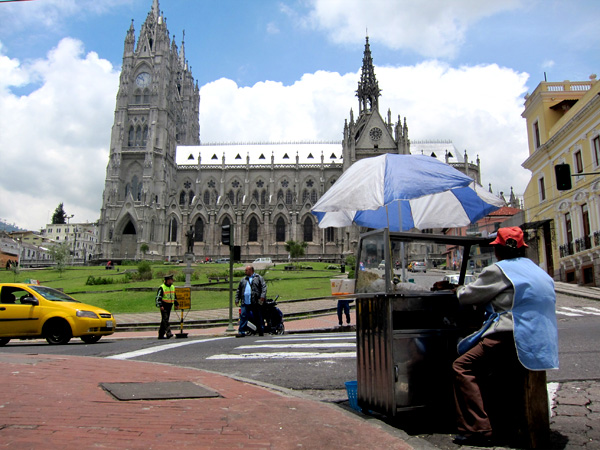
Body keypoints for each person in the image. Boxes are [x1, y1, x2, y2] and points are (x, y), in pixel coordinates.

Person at [451, 227, 558, 446]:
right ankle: (508, 422)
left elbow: (467, 296)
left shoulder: (499, 270)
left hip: (512, 335)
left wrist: (457, 289)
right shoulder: (537, 270)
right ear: (522, 249)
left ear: (498, 250)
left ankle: (479, 429)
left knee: (462, 366)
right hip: (539, 338)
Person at [235, 265, 267, 337]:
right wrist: (237, 299)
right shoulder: (243, 280)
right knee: (243, 316)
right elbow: (239, 290)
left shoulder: (258, 278)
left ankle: (260, 330)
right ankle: (241, 331)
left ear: (251, 270)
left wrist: (262, 296)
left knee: (257, 317)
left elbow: (264, 287)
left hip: (255, 302)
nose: (245, 272)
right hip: (245, 301)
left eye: (247, 270)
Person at [155, 274, 177, 339]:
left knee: (164, 320)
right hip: (164, 305)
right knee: (165, 319)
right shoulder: (162, 287)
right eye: (171, 279)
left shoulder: (172, 287)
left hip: (169, 305)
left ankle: (161, 334)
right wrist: (160, 305)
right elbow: (158, 297)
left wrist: (176, 304)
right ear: (167, 280)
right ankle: (168, 333)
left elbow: (174, 296)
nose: (172, 280)